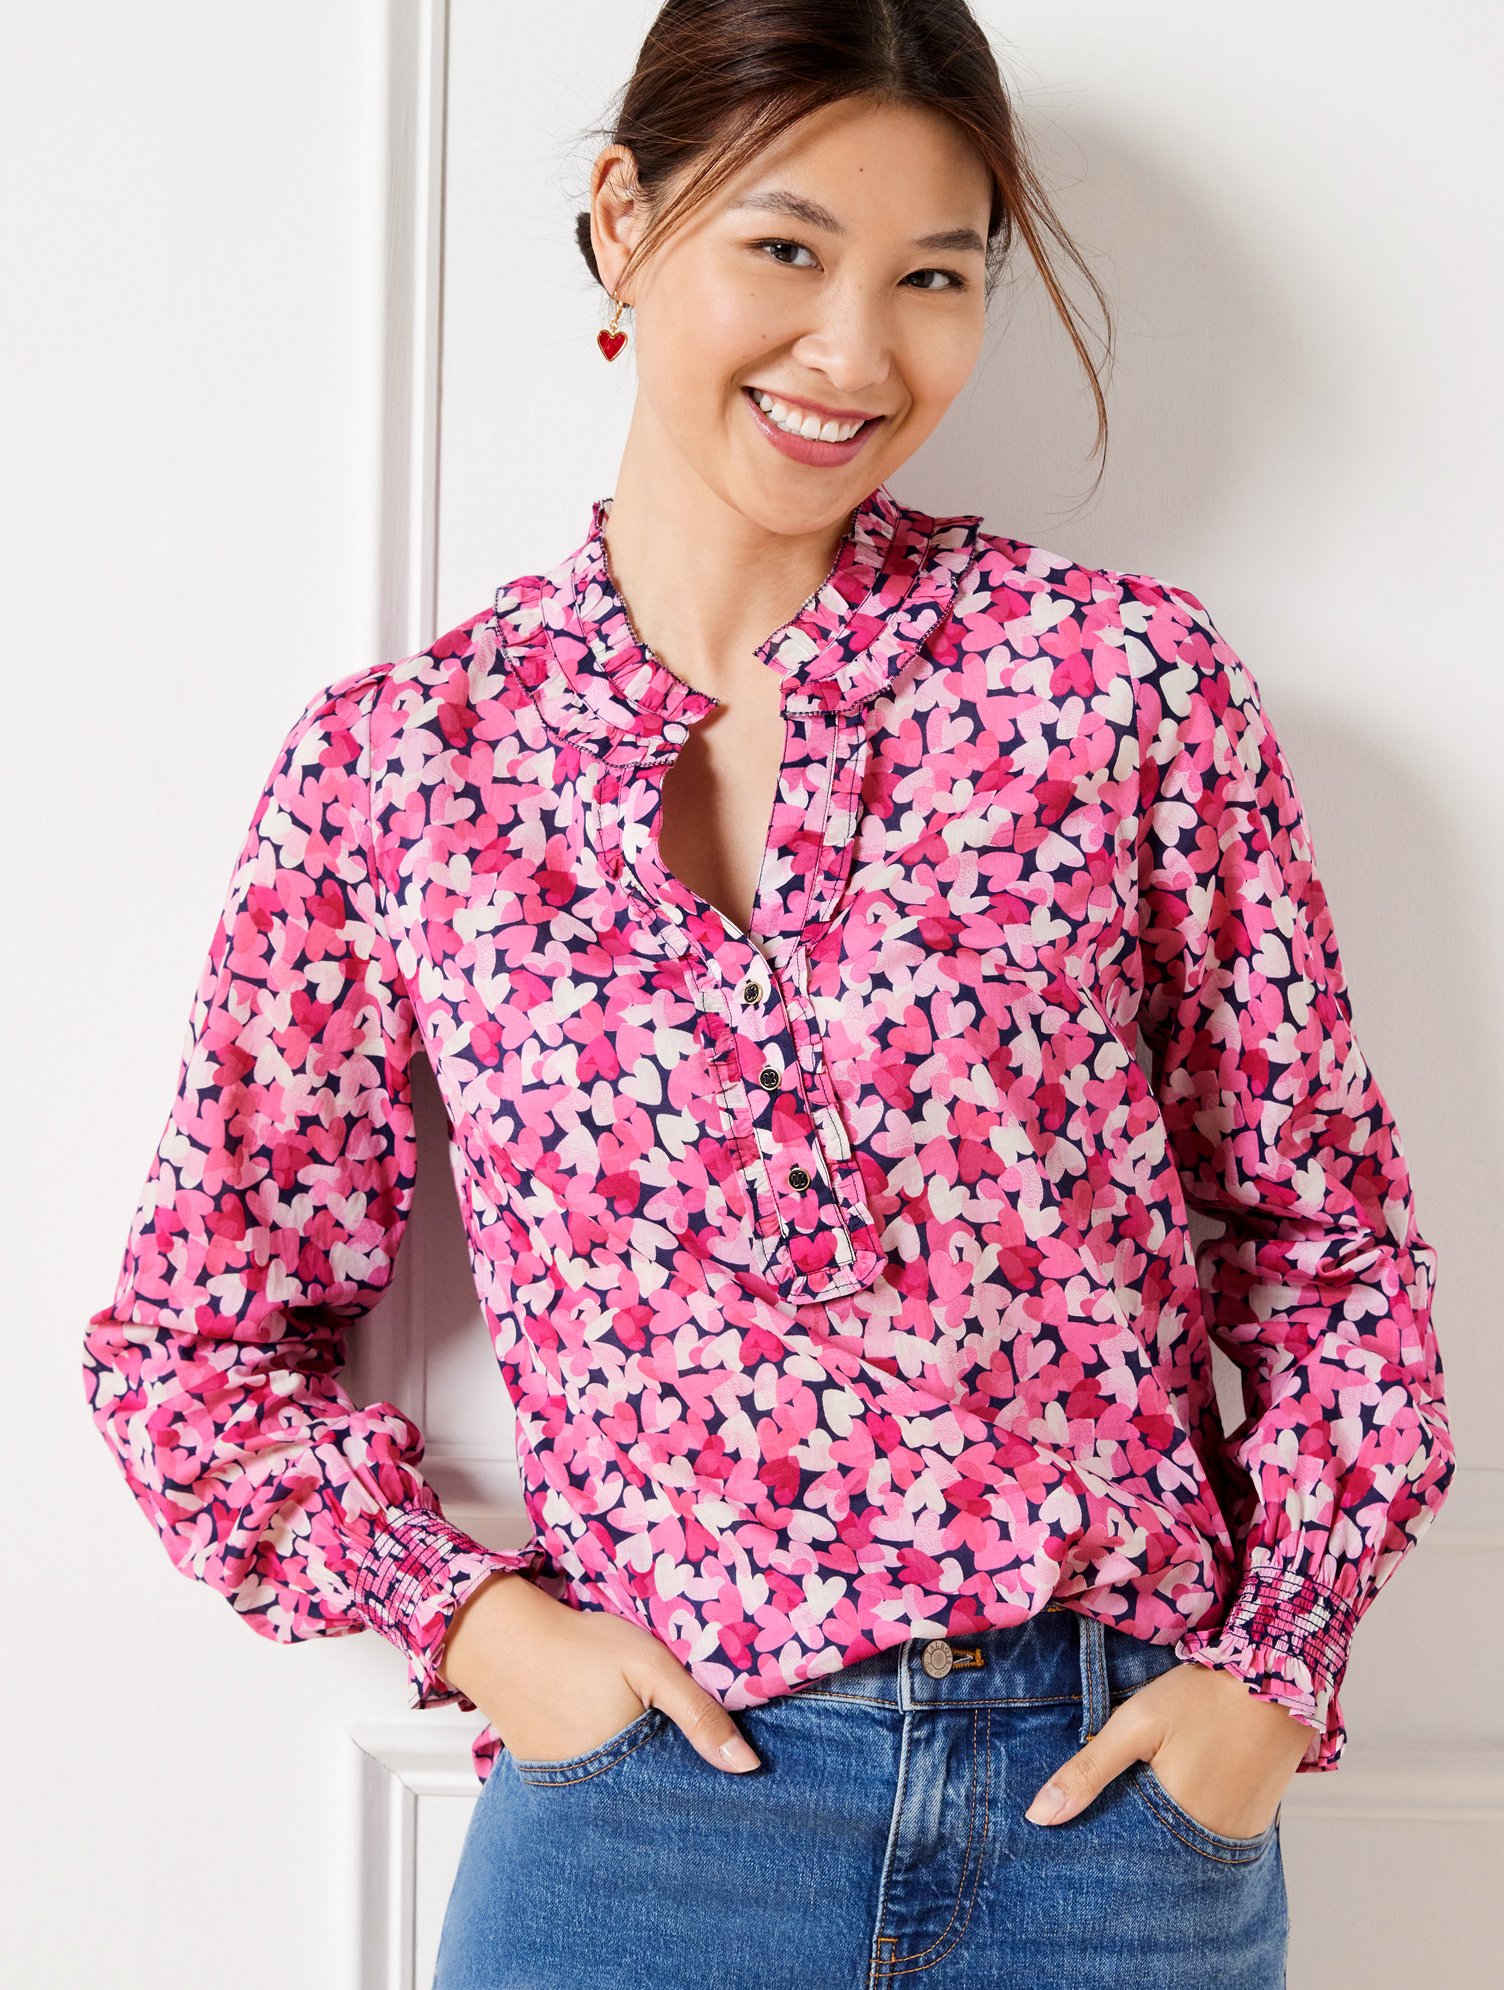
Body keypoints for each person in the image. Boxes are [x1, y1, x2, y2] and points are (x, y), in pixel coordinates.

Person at [84, 3, 1453, 1985]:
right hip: (645, 1825)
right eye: (787, 248)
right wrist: (488, 1632)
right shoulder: (405, 769)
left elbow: (1330, 1249)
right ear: (622, 220)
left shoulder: (1117, 688)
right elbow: (189, 1349)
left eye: (933, 278)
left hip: (1110, 1822)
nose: (854, 353)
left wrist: (1267, 1677)